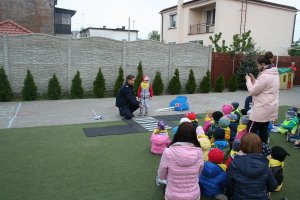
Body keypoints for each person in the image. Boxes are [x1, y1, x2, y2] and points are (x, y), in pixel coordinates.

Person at [157, 122, 204, 200]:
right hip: (193, 195)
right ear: (194, 135)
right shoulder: (199, 152)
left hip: (173, 195)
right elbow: (199, 172)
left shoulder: (168, 152)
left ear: (178, 134)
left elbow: (162, 175)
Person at [227, 133, 278, 200]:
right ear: (259, 146)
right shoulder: (265, 164)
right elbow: (273, 186)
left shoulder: (234, 164)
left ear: (241, 145)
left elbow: (229, 186)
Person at [245, 51, 280, 143]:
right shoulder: (273, 74)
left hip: (262, 108)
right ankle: (263, 149)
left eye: (258, 65)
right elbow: (262, 87)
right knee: (263, 130)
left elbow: (253, 91)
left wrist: (248, 80)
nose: (258, 67)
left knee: (250, 131)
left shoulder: (265, 76)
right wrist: (253, 79)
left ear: (263, 64)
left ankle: (248, 150)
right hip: (270, 107)